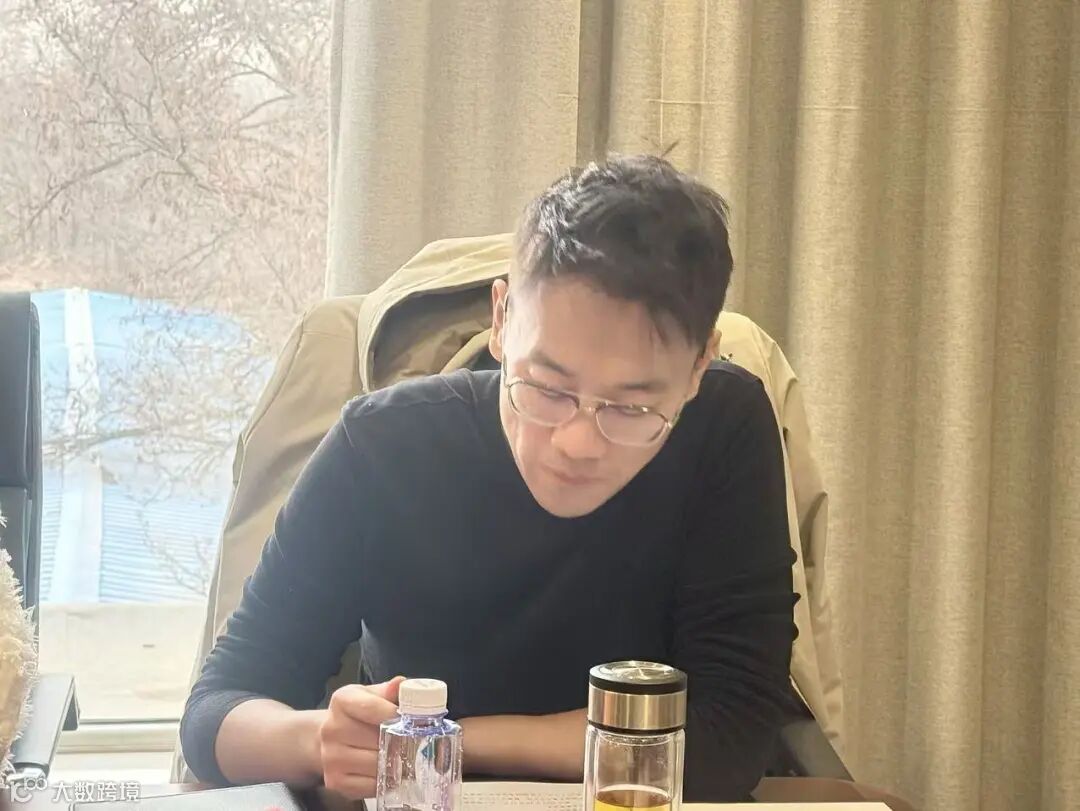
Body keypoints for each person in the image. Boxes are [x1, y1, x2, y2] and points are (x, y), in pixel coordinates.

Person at [180, 154, 798, 803]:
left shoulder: (723, 428)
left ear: (699, 364)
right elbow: (215, 712)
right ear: (501, 318)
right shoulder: (385, 446)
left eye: (631, 408)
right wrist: (317, 740)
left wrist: (445, 740)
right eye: (547, 388)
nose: (577, 442)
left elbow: (731, 737)